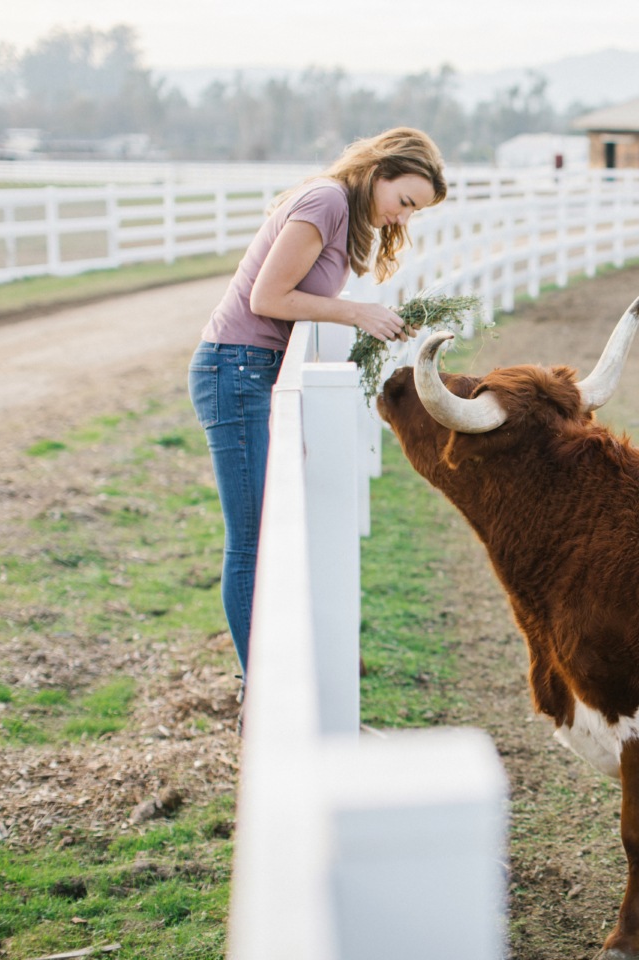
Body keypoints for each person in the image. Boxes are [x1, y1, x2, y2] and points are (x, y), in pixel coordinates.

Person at [188, 127, 447, 680]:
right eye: (404, 202)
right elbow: (268, 297)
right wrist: (357, 314)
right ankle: (261, 690)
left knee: (272, 529)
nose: (403, 218)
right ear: (379, 171)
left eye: (414, 212)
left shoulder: (341, 211)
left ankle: (273, 676)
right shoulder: (326, 201)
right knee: (253, 540)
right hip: (234, 370)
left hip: (254, 370)